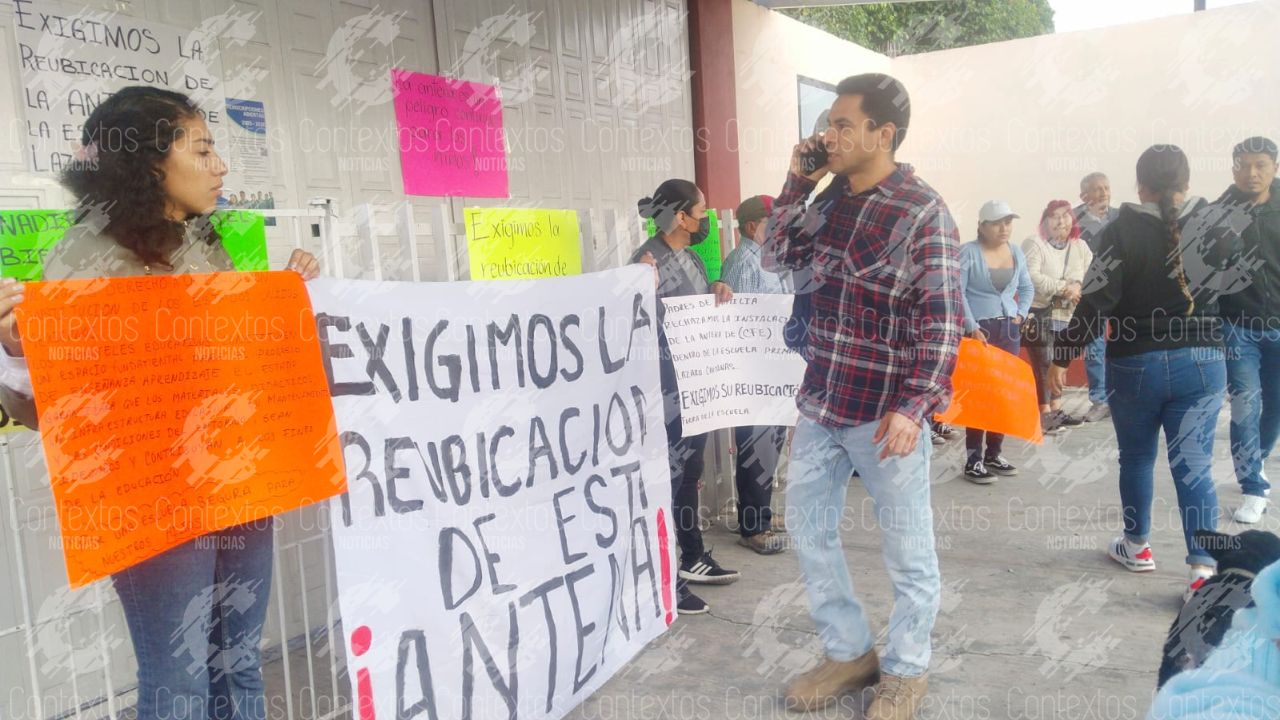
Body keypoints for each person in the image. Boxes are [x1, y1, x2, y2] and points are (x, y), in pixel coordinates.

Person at [0, 86, 320, 720]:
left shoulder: (205, 243)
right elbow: (55, 408)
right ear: (149, 164)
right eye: (202, 148)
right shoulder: (83, 260)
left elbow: (233, 361)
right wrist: (20, 346)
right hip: (155, 502)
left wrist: (284, 299)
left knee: (240, 662)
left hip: (240, 482)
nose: (220, 165)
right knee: (179, 676)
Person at [763, 73, 961, 719]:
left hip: (885, 415)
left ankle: (906, 670)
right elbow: (775, 254)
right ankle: (849, 653)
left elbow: (942, 319)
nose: (831, 134)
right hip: (822, 402)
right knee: (810, 532)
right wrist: (798, 179)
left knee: (907, 550)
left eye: (845, 124)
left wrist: (915, 405)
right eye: (829, 122)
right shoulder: (830, 200)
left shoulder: (924, 213)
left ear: (885, 134)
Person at [1050, 144, 1234, 600]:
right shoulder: (1218, 227)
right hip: (1203, 363)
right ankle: (1203, 572)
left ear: (1140, 186)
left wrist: (1060, 357)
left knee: (1136, 459)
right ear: (1188, 182)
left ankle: (1137, 547)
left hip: (1135, 363)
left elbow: (1095, 303)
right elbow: (1238, 298)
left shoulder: (1119, 232)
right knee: (1194, 468)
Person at [631, 178, 739, 615]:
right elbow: (636, 324)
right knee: (669, 480)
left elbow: (696, 307)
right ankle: (666, 576)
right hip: (664, 392)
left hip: (695, 388)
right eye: (701, 212)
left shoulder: (692, 257)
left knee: (690, 472)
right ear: (679, 217)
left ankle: (692, 556)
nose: (705, 220)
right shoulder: (644, 263)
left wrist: (717, 289)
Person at [720, 194, 787, 555]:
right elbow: (743, 325)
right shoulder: (743, 263)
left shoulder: (768, 259)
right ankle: (753, 527)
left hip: (774, 370)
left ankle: (759, 510)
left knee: (771, 443)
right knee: (756, 447)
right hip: (754, 374)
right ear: (751, 226)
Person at [1218, 137, 1280, 524]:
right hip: (1238, 326)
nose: (1252, 173)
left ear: (1274, 166)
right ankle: (1252, 487)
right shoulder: (1218, 213)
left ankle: (1256, 460)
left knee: (1275, 405)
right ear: (1234, 167)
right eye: (1244, 165)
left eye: (1260, 165)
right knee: (1245, 406)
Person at [958, 200, 1035, 482]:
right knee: (980, 395)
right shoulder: (968, 252)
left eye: (1008, 222)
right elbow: (958, 292)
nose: (1005, 228)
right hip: (980, 332)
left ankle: (994, 453)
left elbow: (1026, 286)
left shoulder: (1015, 251)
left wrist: (1022, 313)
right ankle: (973, 459)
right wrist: (970, 325)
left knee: (1002, 393)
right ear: (982, 226)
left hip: (1009, 330)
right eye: (997, 222)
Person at [1023, 199, 1092, 433]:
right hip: (1039, 314)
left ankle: (1057, 409)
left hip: (1066, 314)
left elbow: (1092, 274)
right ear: (1045, 220)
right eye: (1054, 216)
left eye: (1065, 215)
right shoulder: (1034, 243)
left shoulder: (1080, 246)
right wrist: (1064, 287)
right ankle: (1045, 415)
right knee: (1044, 363)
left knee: (1059, 359)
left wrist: (1078, 287)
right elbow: (1031, 276)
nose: (1060, 220)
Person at [1075, 172, 1121, 423]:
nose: (1104, 193)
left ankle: (1123, 398)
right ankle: (1100, 400)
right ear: (1084, 196)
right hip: (1090, 291)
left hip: (1123, 289)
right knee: (1094, 346)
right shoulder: (1071, 221)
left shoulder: (1121, 218)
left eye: (1106, 187)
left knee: (1126, 344)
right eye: (1097, 189)